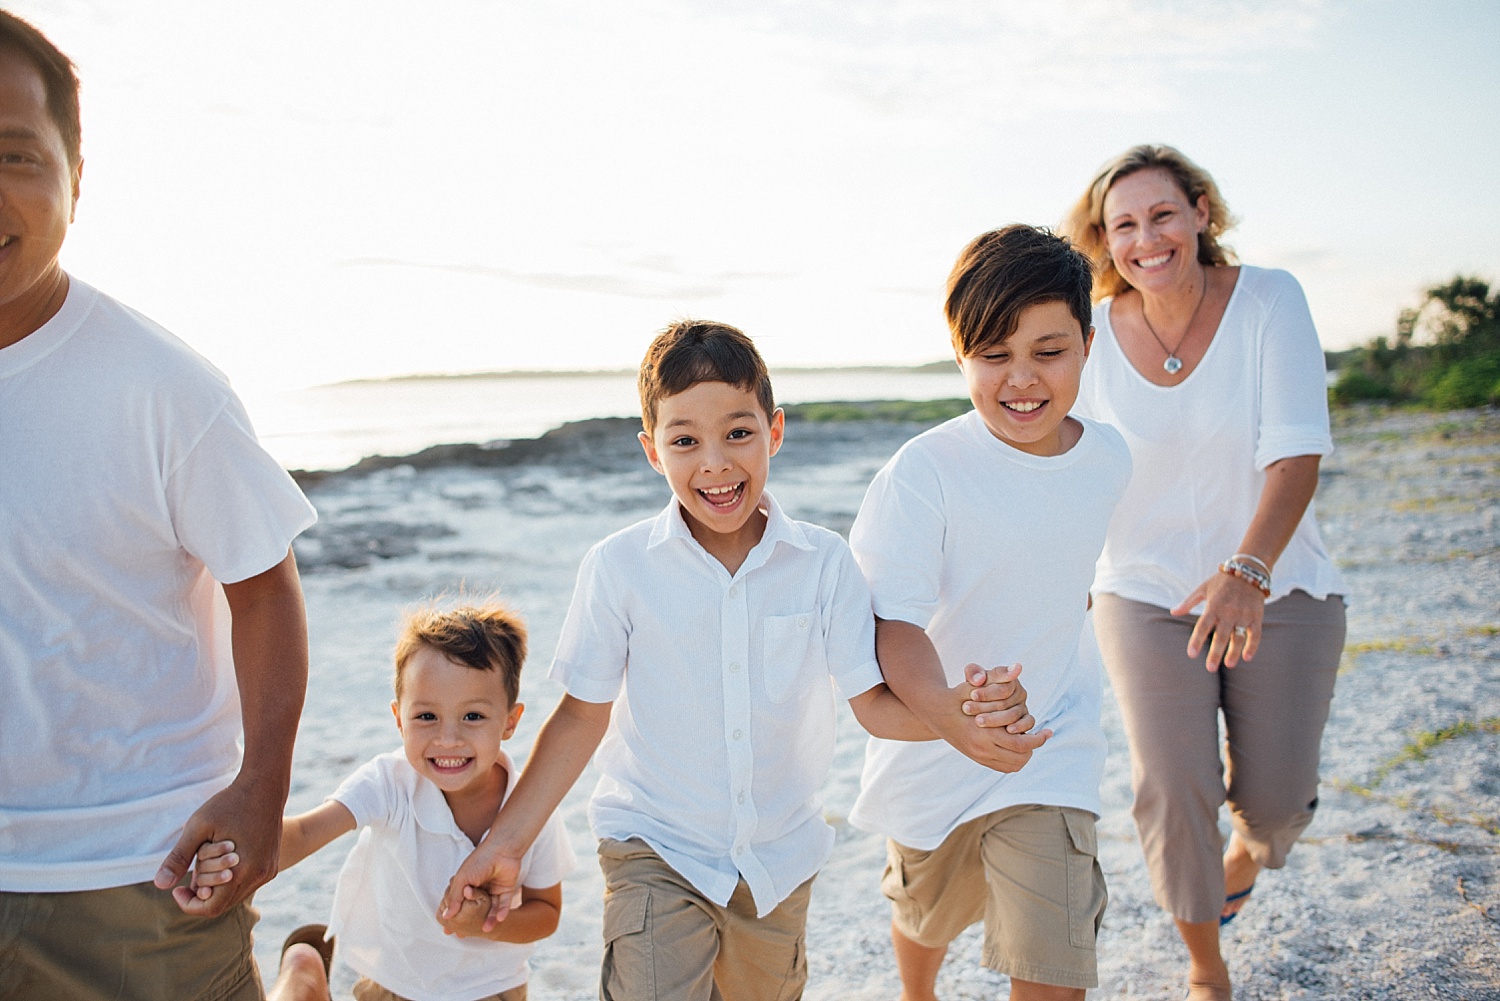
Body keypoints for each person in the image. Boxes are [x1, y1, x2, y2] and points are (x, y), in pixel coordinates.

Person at [433, 320, 1046, 1000]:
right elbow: (581, 717)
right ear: (651, 450)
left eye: (738, 433)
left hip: (777, 862)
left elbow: (872, 703)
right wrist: (505, 843)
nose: (716, 463)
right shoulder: (619, 567)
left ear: (775, 431)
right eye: (685, 440)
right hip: (653, 844)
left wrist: (959, 719)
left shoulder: (823, 562)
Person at [0, 11, 324, 1001]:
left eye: (14, 152)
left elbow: (265, 589)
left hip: (144, 873)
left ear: (76, 175)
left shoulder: (162, 388)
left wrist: (261, 790)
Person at [1060, 144, 1347, 1001]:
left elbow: (1296, 449)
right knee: (1170, 782)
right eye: (1123, 226)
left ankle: (1249, 853)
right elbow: (1055, 447)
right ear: (1103, 241)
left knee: (1278, 806)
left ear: (1200, 214)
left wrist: (1246, 569)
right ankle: (1205, 969)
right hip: (1144, 592)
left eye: (1162, 215)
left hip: (1279, 582)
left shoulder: (1268, 300)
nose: (1146, 239)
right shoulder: (1092, 331)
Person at [849, 224, 1132, 1001]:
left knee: (1054, 947)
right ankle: (918, 993)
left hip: (1053, 739)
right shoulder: (924, 473)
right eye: (994, 354)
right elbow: (894, 625)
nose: (1022, 378)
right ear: (959, 351)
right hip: (932, 744)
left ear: (1087, 341)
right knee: (926, 912)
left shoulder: (1108, 457)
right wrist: (950, 714)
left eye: (1049, 350)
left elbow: (1063, 573)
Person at [197, 603, 575, 1001]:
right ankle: (304, 976)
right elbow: (307, 831)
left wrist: (487, 923)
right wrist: (235, 850)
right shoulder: (389, 783)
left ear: (510, 721)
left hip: (492, 990)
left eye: (473, 717)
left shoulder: (530, 805)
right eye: (427, 716)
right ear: (398, 718)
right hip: (393, 984)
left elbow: (546, 912)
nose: (448, 738)